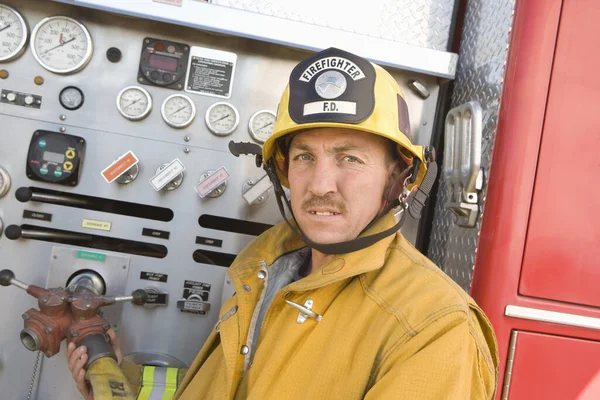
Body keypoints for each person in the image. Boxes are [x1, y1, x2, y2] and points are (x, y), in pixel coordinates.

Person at [68, 47, 499, 399]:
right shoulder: (263, 267)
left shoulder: (435, 328)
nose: (320, 185)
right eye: (304, 157)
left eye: (350, 158)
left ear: (399, 177)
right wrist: (116, 384)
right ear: (282, 170)